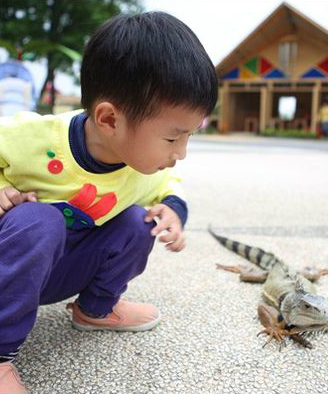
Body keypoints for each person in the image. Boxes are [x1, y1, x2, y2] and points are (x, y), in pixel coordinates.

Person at [0, 12, 217, 393]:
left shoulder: (143, 164)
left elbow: (169, 186)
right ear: (109, 119)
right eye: (172, 138)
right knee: (41, 221)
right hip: (10, 266)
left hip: (55, 271)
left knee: (139, 221)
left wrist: (172, 211)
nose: (181, 152)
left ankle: (95, 309)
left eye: (188, 137)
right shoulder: (30, 137)